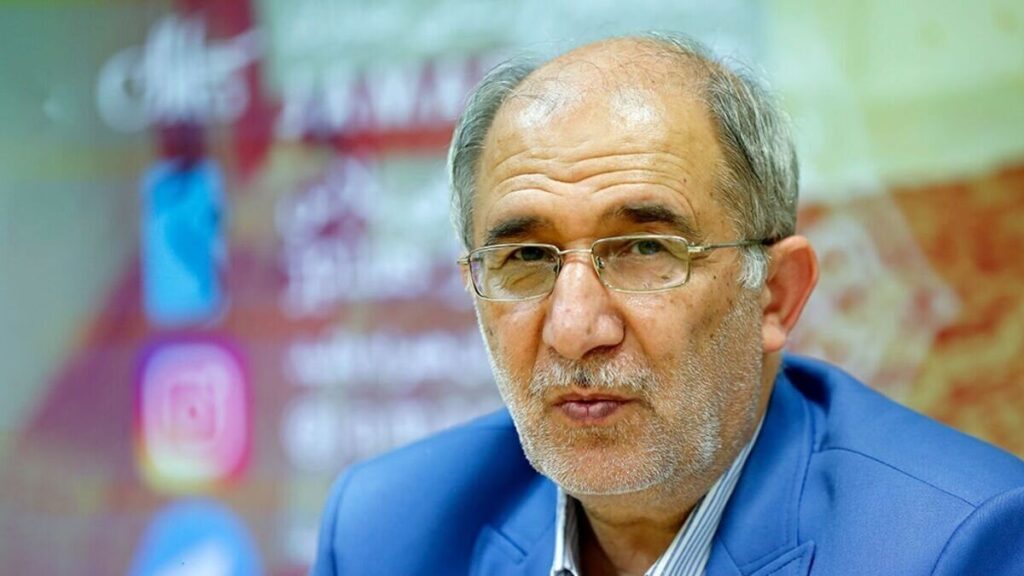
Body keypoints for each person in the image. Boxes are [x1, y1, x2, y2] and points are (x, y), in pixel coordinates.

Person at [310, 33, 1024, 575]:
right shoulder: (387, 533)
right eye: (525, 258)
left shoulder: (960, 544)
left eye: (646, 249)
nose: (574, 328)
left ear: (775, 295)